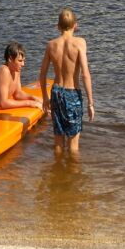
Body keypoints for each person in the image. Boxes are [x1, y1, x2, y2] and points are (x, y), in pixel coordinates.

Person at [39, 8, 94, 157]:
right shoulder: (80, 43)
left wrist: (45, 97)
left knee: (58, 142)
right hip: (72, 95)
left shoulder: (51, 45)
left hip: (56, 93)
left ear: (58, 26)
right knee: (73, 146)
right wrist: (90, 103)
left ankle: (57, 172)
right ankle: (72, 176)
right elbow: (86, 75)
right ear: (75, 25)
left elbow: (42, 74)